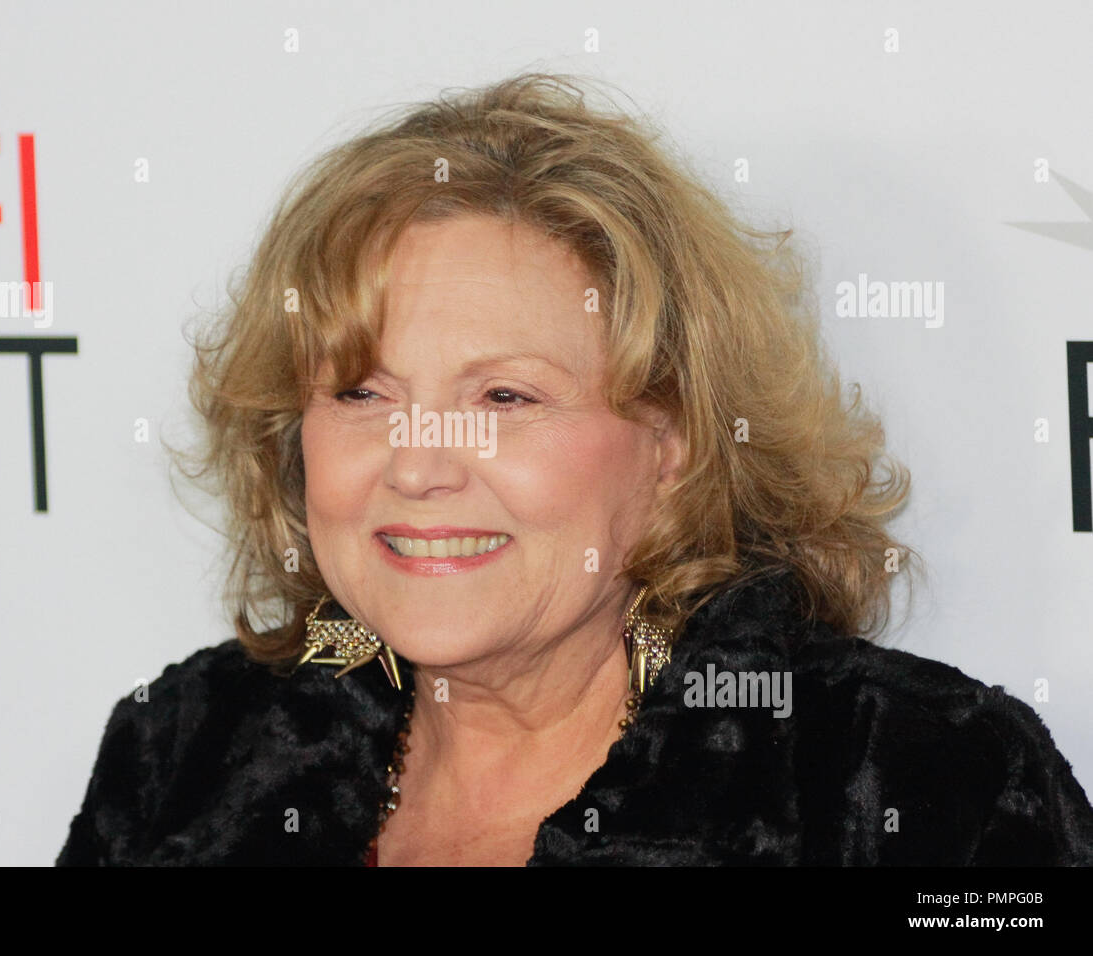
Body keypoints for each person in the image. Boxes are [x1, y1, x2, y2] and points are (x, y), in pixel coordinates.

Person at [57, 73, 1093, 866]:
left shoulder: (907, 778)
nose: (418, 465)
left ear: (674, 443)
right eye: (362, 394)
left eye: (503, 398)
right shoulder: (186, 753)